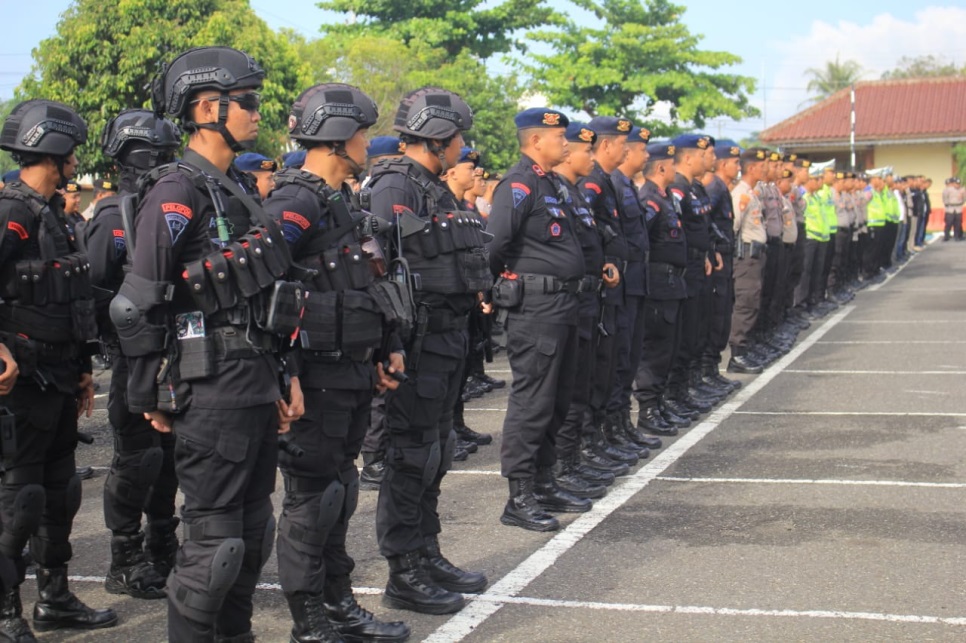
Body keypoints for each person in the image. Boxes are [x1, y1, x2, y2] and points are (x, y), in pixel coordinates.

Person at [116, 46, 306, 641]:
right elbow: (136, 299)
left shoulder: (236, 189)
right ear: (207, 108)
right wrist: (150, 389)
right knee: (215, 546)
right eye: (245, 101)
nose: (256, 110)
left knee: (251, 537)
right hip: (209, 386)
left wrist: (285, 377)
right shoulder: (177, 189)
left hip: (254, 383)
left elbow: (268, 297)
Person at [263, 82, 411, 643]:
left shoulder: (339, 200)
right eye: (363, 134)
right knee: (312, 499)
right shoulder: (295, 201)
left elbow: (361, 284)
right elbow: (264, 291)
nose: (368, 144)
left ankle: (338, 601)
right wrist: (286, 373)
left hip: (348, 369)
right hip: (314, 376)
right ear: (337, 136)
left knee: (340, 490)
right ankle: (310, 621)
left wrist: (384, 344)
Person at [365, 86, 488, 615]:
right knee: (411, 456)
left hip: (446, 338)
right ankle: (403, 568)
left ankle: (426, 551)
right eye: (458, 136)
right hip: (417, 343)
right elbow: (382, 263)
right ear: (439, 136)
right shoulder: (395, 184)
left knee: (435, 452)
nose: (463, 146)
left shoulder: (432, 186)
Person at [0, 99, 119, 639]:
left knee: (59, 493)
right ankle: (6, 613)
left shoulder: (58, 218)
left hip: (59, 377)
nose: (78, 159)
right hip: (19, 384)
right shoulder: (13, 213)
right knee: (19, 500)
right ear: (54, 147)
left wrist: (83, 368)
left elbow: (71, 300)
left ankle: (55, 597)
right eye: (72, 148)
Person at [78, 109, 182, 601]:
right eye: (159, 155)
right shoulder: (111, 217)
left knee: (168, 459)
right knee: (137, 458)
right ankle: (125, 557)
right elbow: (96, 290)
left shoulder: (157, 207)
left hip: (172, 353)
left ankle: (163, 542)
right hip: (130, 356)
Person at [489, 107, 593, 532]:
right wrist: (490, 292)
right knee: (533, 401)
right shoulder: (518, 185)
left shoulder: (552, 184)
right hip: (535, 308)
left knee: (558, 400)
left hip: (562, 307)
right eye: (558, 137)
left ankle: (545, 481)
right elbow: (494, 245)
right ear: (536, 141)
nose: (565, 144)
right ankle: (520, 495)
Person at [552, 122, 625, 489]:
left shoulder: (576, 193)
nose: (590, 157)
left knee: (583, 382)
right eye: (585, 150)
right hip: (570, 301)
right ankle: (565, 462)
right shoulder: (567, 192)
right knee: (569, 387)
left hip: (588, 297)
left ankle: (576, 455)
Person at [579, 117, 641, 465]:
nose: (628, 149)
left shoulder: (609, 182)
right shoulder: (595, 183)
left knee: (616, 362)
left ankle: (610, 429)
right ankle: (592, 440)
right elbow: (589, 229)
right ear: (606, 146)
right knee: (600, 367)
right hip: (602, 289)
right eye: (622, 143)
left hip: (618, 286)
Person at [606, 126, 662, 453]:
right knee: (618, 360)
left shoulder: (626, 186)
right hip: (622, 283)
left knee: (628, 357)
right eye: (641, 149)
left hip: (635, 280)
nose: (646, 156)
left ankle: (621, 425)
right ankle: (612, 429)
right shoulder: (612, 184)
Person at [634, 140, 690, 433]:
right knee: (654, 350)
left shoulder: (665, 198)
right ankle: (648, 410)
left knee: (667, 348)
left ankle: (659, 403)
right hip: (657, 282)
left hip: (671, 283)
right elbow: (642, 243)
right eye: (672, 163)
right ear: (662, 167)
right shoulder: (650, 200)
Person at [701, 139, 741, 391]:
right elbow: (705, 223)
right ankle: (707, 369)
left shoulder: (720, 186)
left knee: (723, 315)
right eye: (736, 162)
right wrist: (712, 250)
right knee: (715, 317)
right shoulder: (714, 188)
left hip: (724, 259)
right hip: (715, 262)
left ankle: (712, 368)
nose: (738, 167)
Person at [727, 148, 768, 374]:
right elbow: (733, 227)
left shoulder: (751, 193)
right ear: (752, 168)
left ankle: (745, 348)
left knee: (752, 302)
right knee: (745, 303)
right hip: (745, 258)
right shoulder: (741, 194)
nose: (766, 169)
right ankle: (737, 354)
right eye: (761, 166)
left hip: (755, 256)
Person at [942, 177, 964, 241]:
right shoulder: (948, 190)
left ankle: (957, 236)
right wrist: (947, 203)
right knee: (948, 223)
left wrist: (961, 203)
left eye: (958, 183)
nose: (957, 185)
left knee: (958, 223)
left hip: (958, 208)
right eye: (956, 183)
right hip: (950, 208)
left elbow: (964, 198)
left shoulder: (962, 190)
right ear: (953, 183)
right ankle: (946, 236)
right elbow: (945, 197)